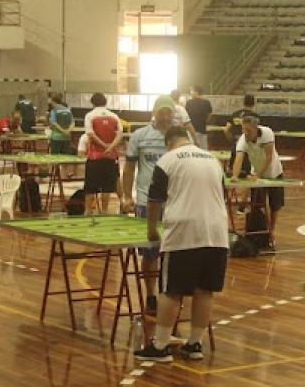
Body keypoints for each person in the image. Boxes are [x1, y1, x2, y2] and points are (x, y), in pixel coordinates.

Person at [137, 125, 229, 363]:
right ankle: (195, 343)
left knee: (171, 290)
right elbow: (222, 194)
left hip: (183, 232)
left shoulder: (168, 160)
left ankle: (160, 346)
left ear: (169, 142)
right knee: (204, 290)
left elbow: (155, 200)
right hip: (217, 232)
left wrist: (151, 230)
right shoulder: (212, 159)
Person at [122, 97, 177, 311]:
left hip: (175, 202)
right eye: (161, 112)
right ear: (154, 112)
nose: (165, 117)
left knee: (174, 251)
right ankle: (151, 294)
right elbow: (129, 168)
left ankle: (170, 291)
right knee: (150, 251)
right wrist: (127, 196)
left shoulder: (180, 137)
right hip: (147, 201)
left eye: (169, 112)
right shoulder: (140, 136)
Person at [231, 113, 288, 247]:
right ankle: (265, 232)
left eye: (248, 130)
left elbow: (269, 157)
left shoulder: (267, 133)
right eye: (243, 130)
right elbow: (238, 158)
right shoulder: (242, 140)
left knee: (275, 205)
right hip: (257, 175)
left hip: (274, 172)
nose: (245, 133)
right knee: (260, 205)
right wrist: (234, 175)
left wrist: (258, 174)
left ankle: (272, 231)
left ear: (256, 128)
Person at [83, 92, 124, 214]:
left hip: (94, 157)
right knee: (107, 186)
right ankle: (105, 211)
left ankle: (88, 211)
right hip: (110, 157)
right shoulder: (114, 116)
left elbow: (90, 134)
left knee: (90, 186)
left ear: (92, 103)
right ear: (105, 102)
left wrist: (103, 145)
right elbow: (120, 134)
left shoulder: (90, 115)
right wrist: (110, 147)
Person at [221, 93, 256, 159]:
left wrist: (232, 140)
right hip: (248, 148)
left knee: (234, 167)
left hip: (236, 145)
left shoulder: (235, 114)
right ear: (253, 104)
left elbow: (226, 130)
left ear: (243, 103)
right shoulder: (254, 116)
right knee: (246, 168)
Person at [185, 86, 213, 151]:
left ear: (196, 92)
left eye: (191, 91)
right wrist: (205, 121)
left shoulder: (189, 103)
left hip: (191, 131)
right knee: (203, 151)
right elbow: (210, 114)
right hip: (202, 129)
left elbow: (186, 117)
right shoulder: (207, 102)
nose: (190, 93)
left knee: (191, 150)